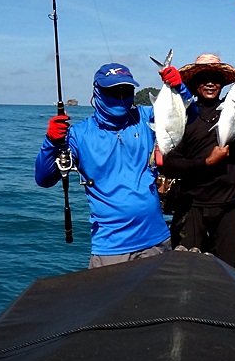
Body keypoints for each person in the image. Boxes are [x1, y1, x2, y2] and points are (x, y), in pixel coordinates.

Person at [35, 62, 188, 269]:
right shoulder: (79, 135)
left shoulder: (146, 119)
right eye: (113, 90)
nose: (121, 96)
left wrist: (180, 89)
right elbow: (44, 179)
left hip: (157, 240)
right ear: (97, 92)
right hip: (111, 249)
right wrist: (51, 141)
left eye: (127, 90)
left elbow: (188, 119)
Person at [158, 0, 235, 270]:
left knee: (230, 274)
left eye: (216, 77)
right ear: (193, 83)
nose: (210, 81)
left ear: (223, 83)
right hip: (190, 204)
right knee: (185, 271)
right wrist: (206, 162)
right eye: (202, 77)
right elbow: (170, 163)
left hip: (229, 203)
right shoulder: (180, 113)